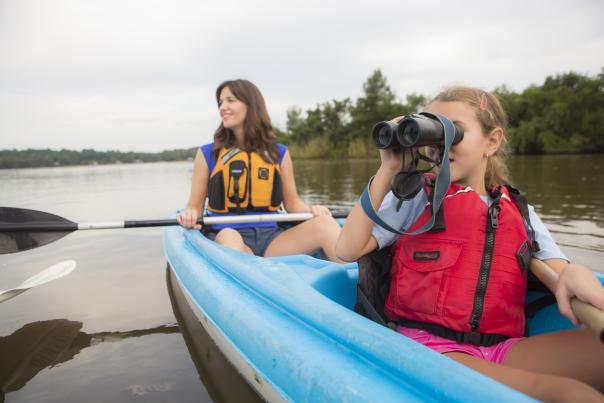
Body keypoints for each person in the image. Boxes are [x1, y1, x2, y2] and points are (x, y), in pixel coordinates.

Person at [335, 86, 604, 401]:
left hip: (500, 348)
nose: (440, 145)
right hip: (429, 351)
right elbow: (346, 249)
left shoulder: (516, 209)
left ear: (492, 141)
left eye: (454, 132)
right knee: (570, 395)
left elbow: (560, 270)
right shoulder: (415, 196)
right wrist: (388, 168)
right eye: (433, 132)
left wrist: (575, 273)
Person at [177, 79, 343, 262]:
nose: (223, 107)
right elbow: (194, 207)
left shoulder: (278, 153)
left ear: (251, 105)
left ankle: (363, 283)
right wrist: (190, 214)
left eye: (230, 100)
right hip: (229, 237)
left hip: (272, 239)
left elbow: (293, 204)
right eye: (220, 102)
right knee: (228, 236)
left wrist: (313, 210)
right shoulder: (208, 154)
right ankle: (248, 277)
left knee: (325, 224)